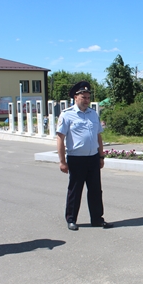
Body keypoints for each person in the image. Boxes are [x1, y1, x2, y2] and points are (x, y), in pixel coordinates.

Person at [56, 81, 113, 231]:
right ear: (75, 97)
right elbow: (60, 138)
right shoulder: (67, 115)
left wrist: (101, 156)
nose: (86, 100)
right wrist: (62, 161)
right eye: (83, 97)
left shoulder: (93, 114)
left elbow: (98, 137)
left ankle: (97, 219)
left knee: (95, 190)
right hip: (76, 159)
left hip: (93, 158)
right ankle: (71, 219)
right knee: (75, 190)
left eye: (88, 97)